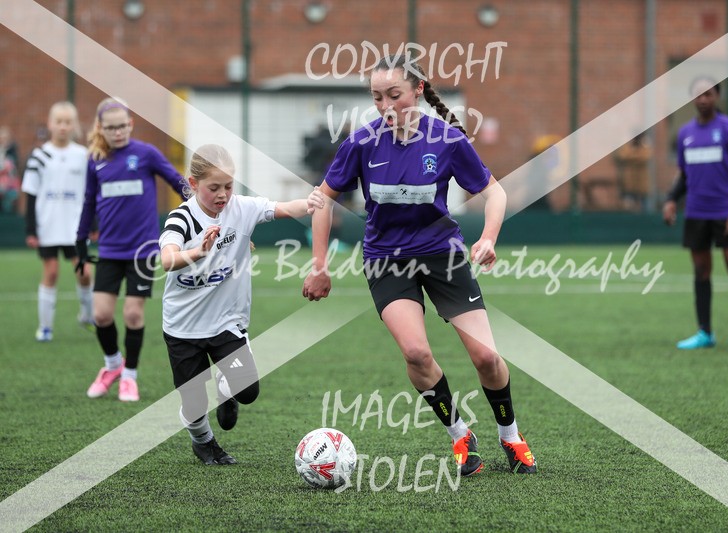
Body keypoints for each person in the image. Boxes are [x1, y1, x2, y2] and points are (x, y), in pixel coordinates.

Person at [302, 55, 537, 476]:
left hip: (442, 255)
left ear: (417, 90)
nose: (386, 106)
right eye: (377, 97)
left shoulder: (446, 139)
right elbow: (322, 200)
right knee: (415, 352)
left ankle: (511, 435)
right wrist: (319, 264)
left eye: (395, 95)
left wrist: (488, 238)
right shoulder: (361, 142)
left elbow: (495, 194)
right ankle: (459, 435)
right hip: (386, 260)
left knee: (485, 357)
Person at [160, 144, 323, 465]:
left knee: (247, 392)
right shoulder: (182, 218)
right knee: (193, 405)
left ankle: (226, 392)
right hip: (182, 326)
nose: (223, 195)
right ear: (193, 185)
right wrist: (198, 253)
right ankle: (203, 442)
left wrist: (311, 202)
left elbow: (283, 208)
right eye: (213, 188)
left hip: (226, 322)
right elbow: (167, 259)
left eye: (229, 186)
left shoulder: (241, 208)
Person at [76, 96, 187, 402]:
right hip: (109, 250)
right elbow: (88, 203)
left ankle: (130, 377)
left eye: (122, 126)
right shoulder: (95, 159)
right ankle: (112, 366)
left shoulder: (146, 153)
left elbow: (177, 181)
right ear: (101, 128)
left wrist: (195, 203)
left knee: (133, 315)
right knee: (100, 315)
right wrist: (81, 241)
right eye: (111, 128)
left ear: (131, 124)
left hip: (142, 251)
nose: (118, 132)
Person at [663, 77, 728, 351]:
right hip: (696, 213)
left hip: (725, 213)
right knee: (701, 271)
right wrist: (670, 199)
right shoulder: (685, 134)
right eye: (698, 95)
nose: (703, 99)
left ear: (717, 96)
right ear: (693, 99)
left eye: (708, 94)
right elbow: (685, 175)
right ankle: (705, 333)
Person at [21, 101, 93, 342]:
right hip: (48, 225)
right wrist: (31, 230)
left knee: (84, 271)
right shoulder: (39, 156)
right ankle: (45, 327)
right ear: (51, 124)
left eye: (68, 122)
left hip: (75, 227)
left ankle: (87, 314)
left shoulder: (83, 156)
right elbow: (30, 194)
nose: (63, 126)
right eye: (59, 121)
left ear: (75, 126)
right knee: (50, 272)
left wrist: (93, 226)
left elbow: (90, 193)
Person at [615, 133, 652, 212]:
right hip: (630, 183)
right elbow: (622, 155)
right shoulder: (628, 146)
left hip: (642, 183)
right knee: (629, 208)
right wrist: (636, 155)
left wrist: (632, 157)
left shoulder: (645, 146)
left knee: (645, 208)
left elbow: (645, 156)